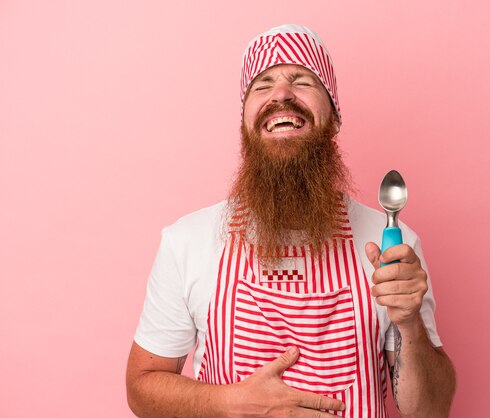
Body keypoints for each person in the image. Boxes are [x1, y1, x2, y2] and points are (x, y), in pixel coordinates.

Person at [126, 23, 456, 418]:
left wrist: (409, 326)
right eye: (262, 85)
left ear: (333, 117)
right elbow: (141, 388)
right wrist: (229, 403)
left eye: (302, 80)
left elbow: (430, 411)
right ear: (245, 124)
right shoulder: (188, 241)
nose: (281, 94)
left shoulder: (392, 247)